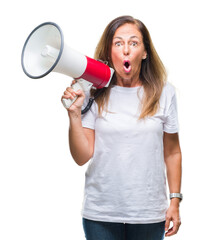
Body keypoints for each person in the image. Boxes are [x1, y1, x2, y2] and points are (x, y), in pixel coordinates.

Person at [61, 15, 182, 240]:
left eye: (133, 43)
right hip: (100, 214)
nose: (126, 50)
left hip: (148, 214)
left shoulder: (165, 93)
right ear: (109, 53)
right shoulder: (93, 92)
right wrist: (74, 115)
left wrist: (175, 200)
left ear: (145, 52)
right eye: (118, 43)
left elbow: (173, 152)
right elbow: (81, 156)